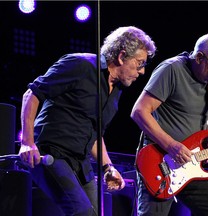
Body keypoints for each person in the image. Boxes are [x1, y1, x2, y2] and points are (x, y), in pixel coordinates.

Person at [18, 26, 156, 216]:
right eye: (139, 63)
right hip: (51, 153)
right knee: (82, 212)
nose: (141, 72)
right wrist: (27, 142)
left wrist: (109, 167)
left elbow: (94, 135)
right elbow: (32, 94)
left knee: (99, 212)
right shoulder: (80, 65)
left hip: (80, 162)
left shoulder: (116, 91)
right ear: (122, 56)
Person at [131, 33, 208, 215]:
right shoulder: (171, 69)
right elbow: (139, 111)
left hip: (192, 164)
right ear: (199, 57)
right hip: (160, 163)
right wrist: (172, 146)